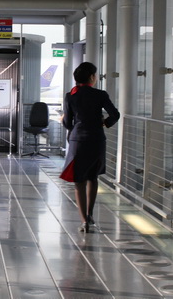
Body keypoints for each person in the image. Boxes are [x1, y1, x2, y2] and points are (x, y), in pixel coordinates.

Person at [60, 62, 119, 233]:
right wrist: (104, 123)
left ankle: (84, 221)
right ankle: (90, 214)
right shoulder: (100, 94)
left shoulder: (70, 96)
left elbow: (67, 123)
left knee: (79, 181)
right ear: (92, 77)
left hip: (78, 140)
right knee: (93, 177)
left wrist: (73, 127)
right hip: (96, 139)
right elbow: (115, 114)